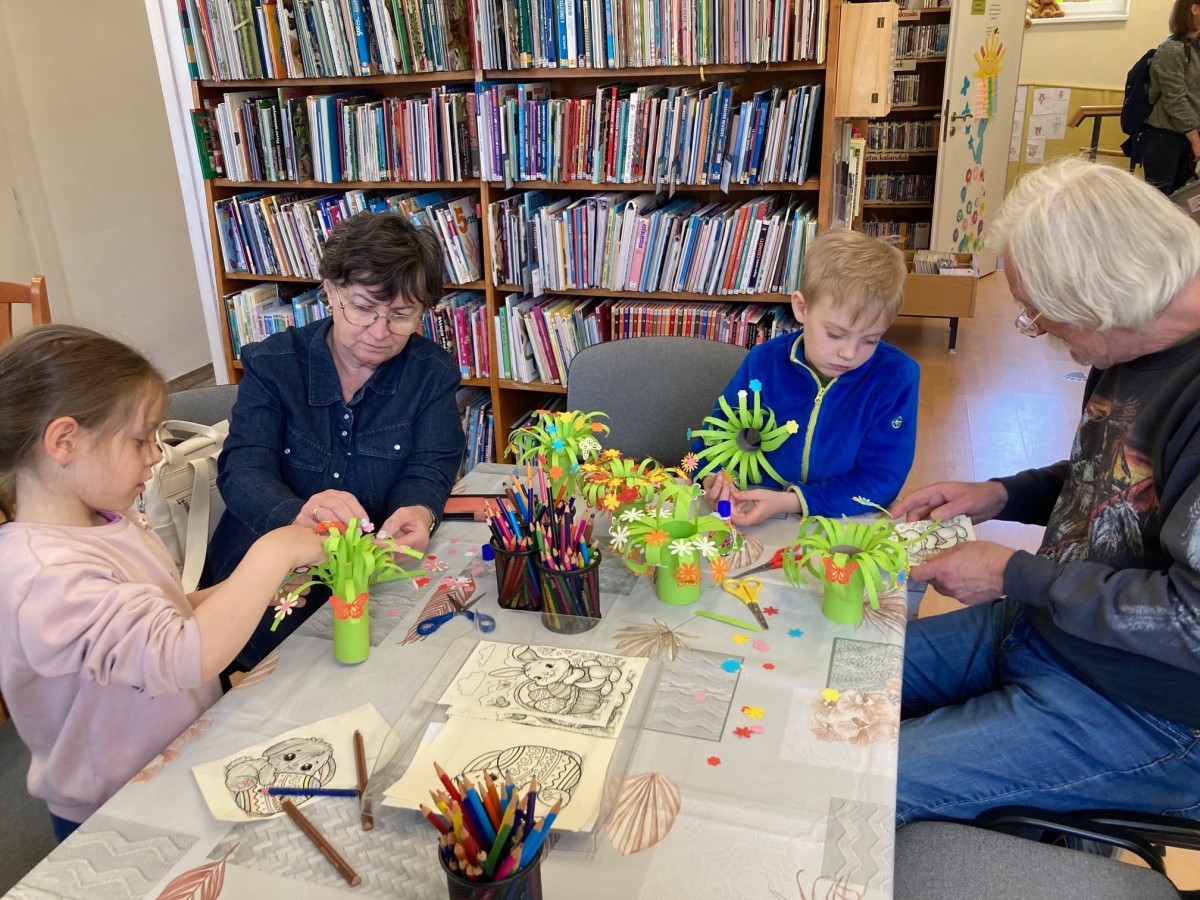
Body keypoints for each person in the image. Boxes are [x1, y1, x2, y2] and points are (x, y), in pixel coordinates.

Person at [891, 157, 1200, 825]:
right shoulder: (1135, 340)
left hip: (1152, 709)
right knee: (829, 681)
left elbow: (1192, 620)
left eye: (1039, 314)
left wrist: (1012, 573)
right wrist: (1000, 495)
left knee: (856, 777)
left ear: (1102, 301)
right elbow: (1120, 485)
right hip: (1052, 625)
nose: (1038, 328)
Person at [0, 325, 326, 842]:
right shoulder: (44, 574)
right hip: (113, 808)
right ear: (64, 442)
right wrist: (275, 549)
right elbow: (181, 655)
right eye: (139, 440)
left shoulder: (108, 519)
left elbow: (163, 613)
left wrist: (254, 588)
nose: (155, 455)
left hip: (176, 759)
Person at [204, 211, 466, 669]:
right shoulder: (274, 364)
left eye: (401, 315)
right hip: (264, 586)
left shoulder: (431, 372)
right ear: (329, 291)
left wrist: (420, 508)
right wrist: (294, 515)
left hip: (370, 578)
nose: (380, 332)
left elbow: (430, 466)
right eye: (363, 308)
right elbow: (243, 469)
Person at [699, 229, 918, 526]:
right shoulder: (763, 362)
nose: (849, 353)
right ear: (801, 308)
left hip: (844, 522)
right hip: (758, 518)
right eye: (836, 334)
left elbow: (882, 479)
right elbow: (717, 433)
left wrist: (793, 501)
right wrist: (713, 478)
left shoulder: (896, 377)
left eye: (870, 339)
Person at [1143, 0, 1200, 194]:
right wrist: (1195, 140)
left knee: (1182, 200)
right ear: (1195, 9)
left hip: (1188, 135)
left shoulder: (1195, 48)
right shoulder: (1172, 49)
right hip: (1165, 136)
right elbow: (1174, 100)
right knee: (1159, 201)